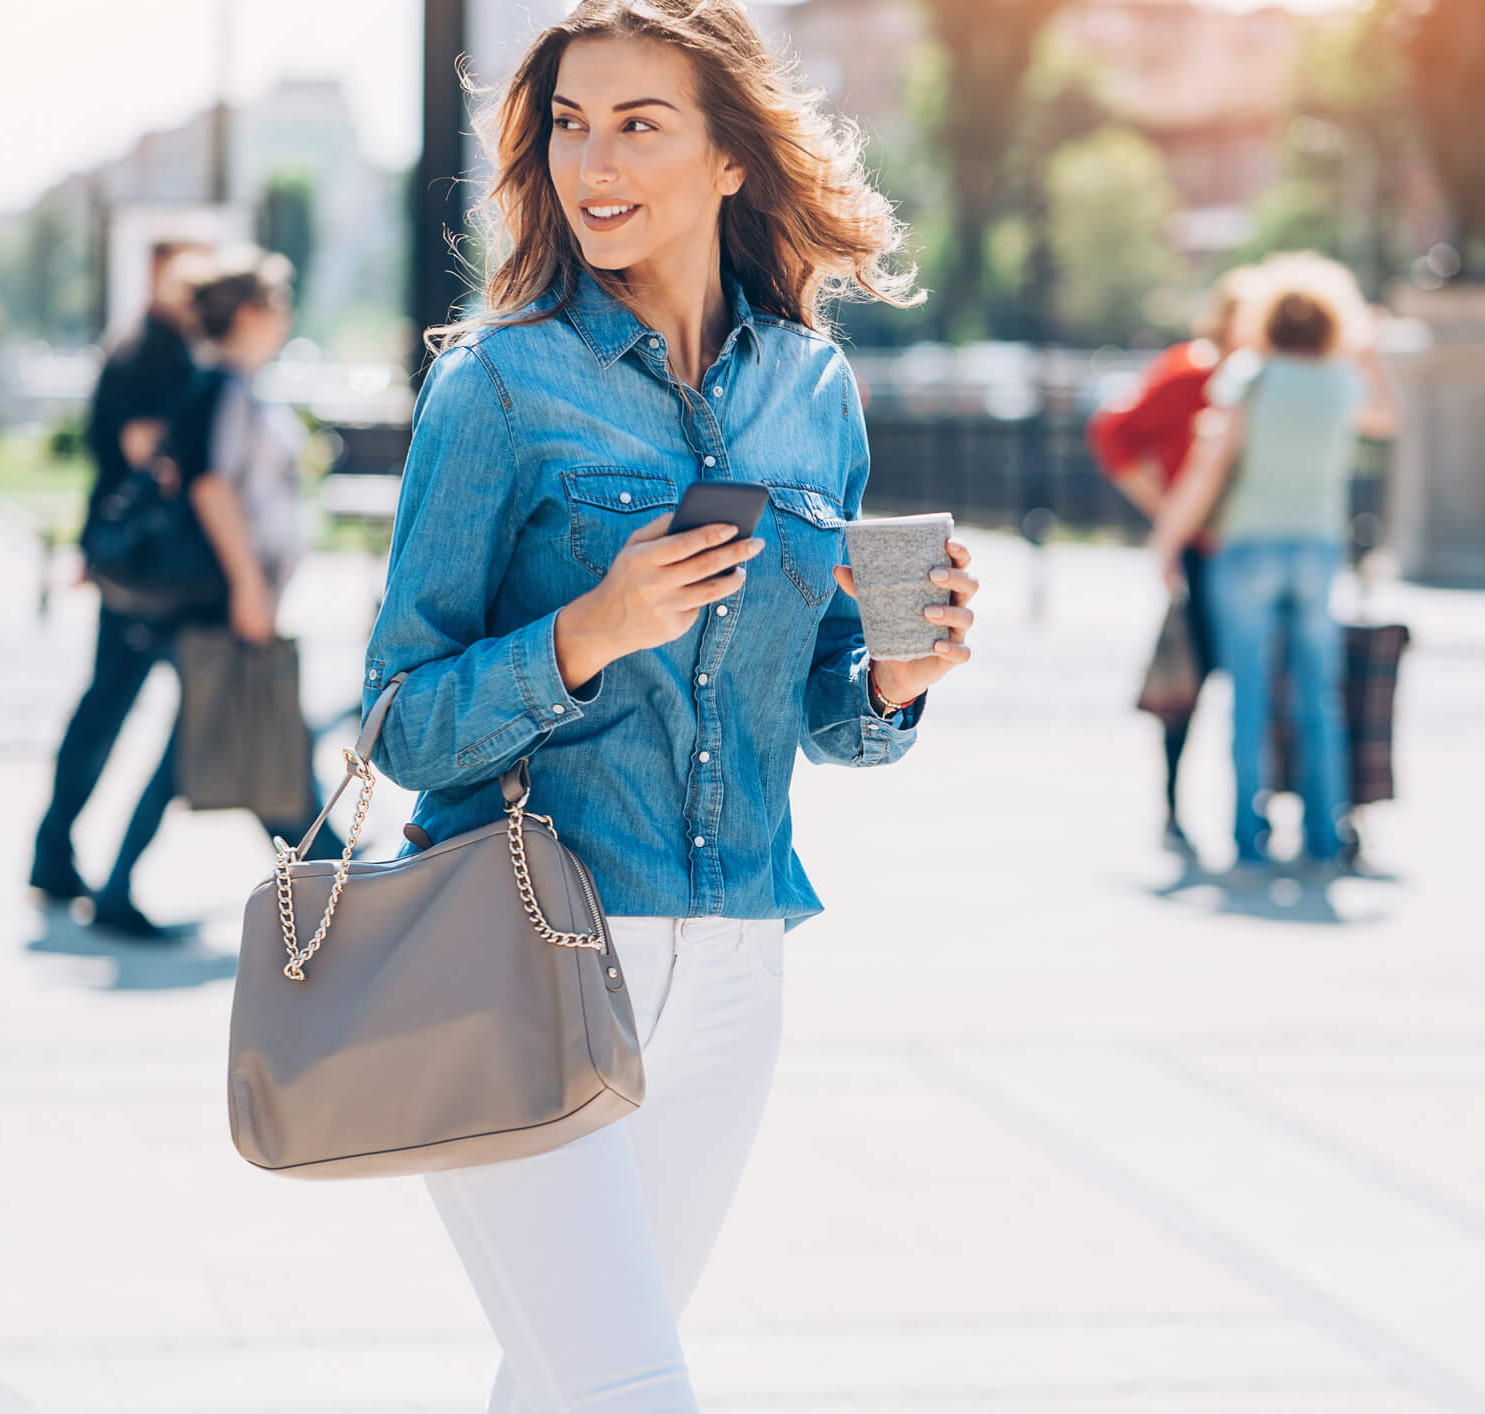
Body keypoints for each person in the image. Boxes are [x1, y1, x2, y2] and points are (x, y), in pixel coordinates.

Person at [359, 2, 979, 1406]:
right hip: (521, 951)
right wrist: (588, 631)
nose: (594, 163)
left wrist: (891, 677)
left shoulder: (812, 391)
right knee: (635, 1388)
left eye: (639, 123)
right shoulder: (501, 385)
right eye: (570, 125)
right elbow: (396, 719)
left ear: (729, 161)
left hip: (736, 964)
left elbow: (824, 706)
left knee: (567, 1384)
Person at [89, 248, 337, 937]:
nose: (286, 318)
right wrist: (249, 587)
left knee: (209, 733)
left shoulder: (225, 383)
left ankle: (326, 861)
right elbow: (210, 486)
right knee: (236, 727)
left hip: (230, 594)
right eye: (280, 305)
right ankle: (330, 865)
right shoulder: (223, 387)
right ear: (253, 313)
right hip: (225, 598)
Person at [1153, 253, 1397, 869]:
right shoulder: (1342, 383)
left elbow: (1210, 469)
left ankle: (1247, 839)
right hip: (1317, 551)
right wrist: (1365, 347)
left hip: (1246, 550)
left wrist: (1168, 538)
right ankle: (1322, 836)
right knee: (1320, 699)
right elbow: (1387, 419)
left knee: (1250, 699)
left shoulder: (1249, 375)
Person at [30, 238, 208, 904]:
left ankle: (57, 855)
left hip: (142, 564)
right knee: (115, 707)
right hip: (145, 568)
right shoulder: (150, 352)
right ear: (156, 276)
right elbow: (147, 453)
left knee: (127, 706)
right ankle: (56, 854)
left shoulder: (160, 346)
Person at [1088, 267, 1260, 849]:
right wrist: (1168, 514)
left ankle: (1256, 810)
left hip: (1250, 549)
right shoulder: (1194, 370)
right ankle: (1172, 807)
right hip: (1206, 554)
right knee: (1191, 680)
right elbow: (1113, 432)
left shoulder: (1264, 376)